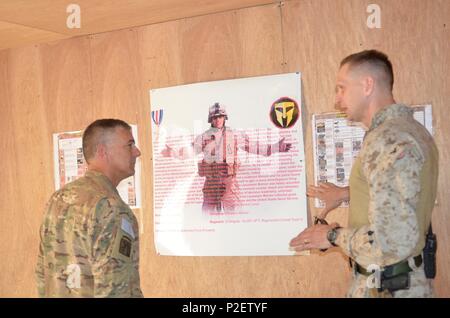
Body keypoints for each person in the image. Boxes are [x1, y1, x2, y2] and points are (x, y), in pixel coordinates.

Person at [289, 50, 439, 298]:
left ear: (367, 85)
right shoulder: (410, 131)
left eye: (342, 88)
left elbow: (393, 240)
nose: (337, 99)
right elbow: (402, 193)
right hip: (397, 283)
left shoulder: (388, 140)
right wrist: (349, 193)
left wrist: (331, 235)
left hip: (387, 286)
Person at [36, 119, 144, 297]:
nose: (137, 152)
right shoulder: (111, 208)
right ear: (104, 151)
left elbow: (43, 276)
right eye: (130, 145)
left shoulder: (58, 199)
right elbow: (117, 291)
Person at [162, 102, 292, 212]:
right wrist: (172, 153)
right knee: (206, 215)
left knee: (234, 215)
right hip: (211, 183)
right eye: (215, 117)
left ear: (225, 118)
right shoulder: (203, 137)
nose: (218, 120)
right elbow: (189, 151)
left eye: (220, 117)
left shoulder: (234, 135)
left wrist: (275, 148)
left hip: (229, 181)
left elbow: (253, 147)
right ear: (210, 119)